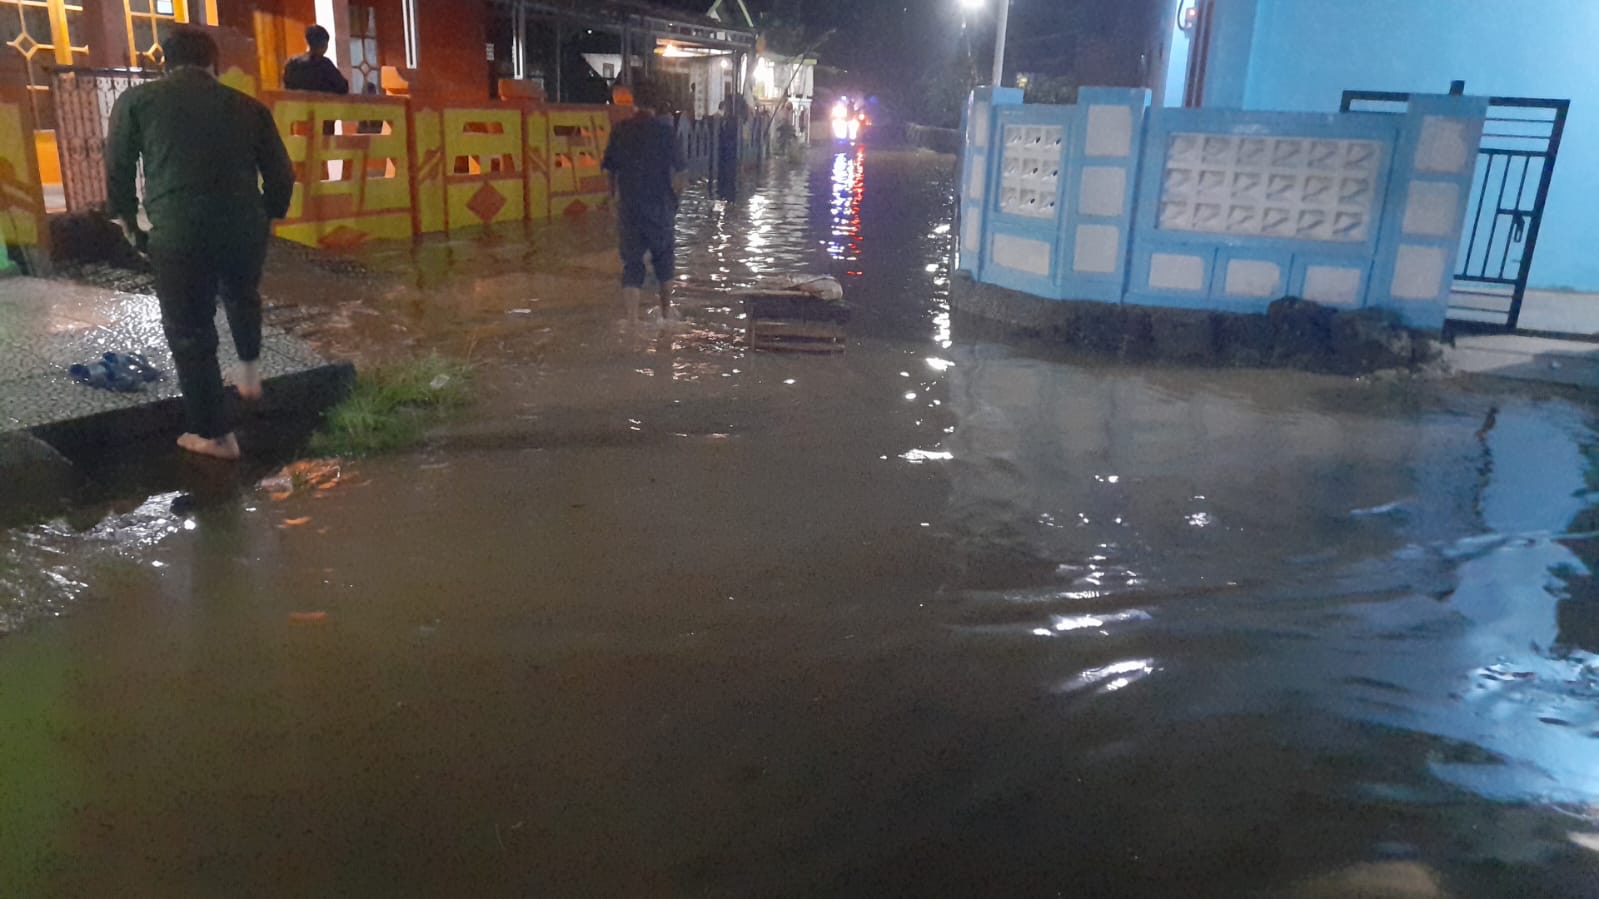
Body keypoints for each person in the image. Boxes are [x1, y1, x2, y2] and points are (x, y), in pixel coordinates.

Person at [107, 27, 295, 461]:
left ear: (164, 64)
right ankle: (249, 373)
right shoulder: (249, 106)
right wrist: (267, 214)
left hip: (178, 229)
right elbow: (281, 176)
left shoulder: (137, 102)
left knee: (191, 330)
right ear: (213, 64)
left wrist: (132, 227)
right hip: (243, 227)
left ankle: (214, 435)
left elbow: (118, 171)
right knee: (241, 293)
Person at [602, 80, 686, 320]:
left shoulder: (620, 130)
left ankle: (631, 321)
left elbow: (611, 171)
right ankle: (667, 313)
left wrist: (612, 199)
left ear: (634, 101)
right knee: (664, 260)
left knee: (632, 264)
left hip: (629, 208)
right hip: (660, 207)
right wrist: (675, 202)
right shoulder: (666, 132)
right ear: (659, 103)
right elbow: (680, 174)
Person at [282, 24, 348, 94]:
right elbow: (343, 87)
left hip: (296, 104)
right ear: (324, 45)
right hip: (322, 104)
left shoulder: (292, 63)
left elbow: (286, 88)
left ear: (307, 41)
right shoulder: (325, 64)